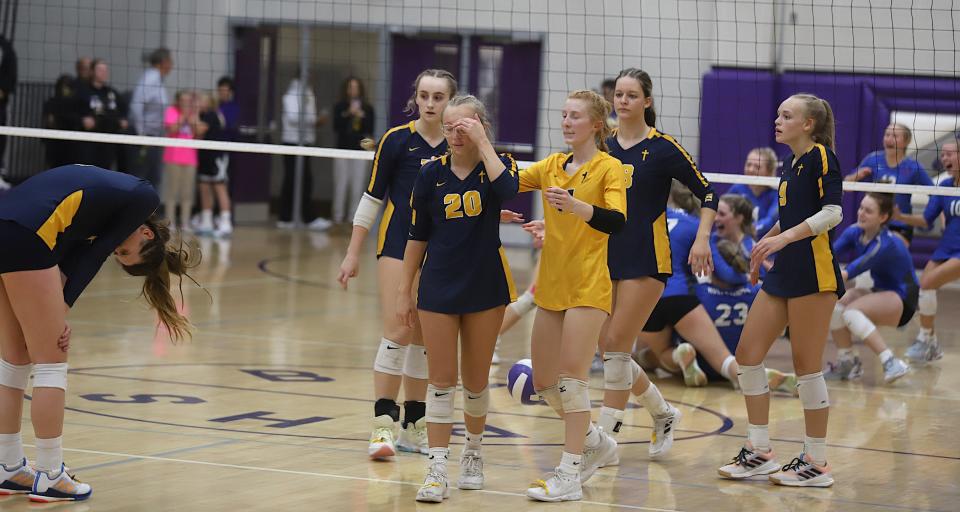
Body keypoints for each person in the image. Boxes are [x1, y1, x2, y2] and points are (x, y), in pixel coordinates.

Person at [0, 164, 197, 502]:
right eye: (123, 253)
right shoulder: (144, 197)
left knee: (14, 360)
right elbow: (95, 253)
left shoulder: (104, 207)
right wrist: (60, 310)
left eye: (120, 256)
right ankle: (50, 475)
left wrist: (53, 307)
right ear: (146, 233)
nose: (116, 252)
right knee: (51, 362)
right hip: (26, 234)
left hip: (8, 225)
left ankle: (7, 467)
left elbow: (69, 256)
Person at [718, 93, 844, 487]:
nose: (777, 120)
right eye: (778, 114)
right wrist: (765, 242)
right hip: (785, 270)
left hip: (813, 273)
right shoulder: (789, 163)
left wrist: (783, 238)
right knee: (747, 354)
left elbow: (832, 213)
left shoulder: (822, 156)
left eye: (786, 116)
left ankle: (816, 462)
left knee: (807, 367)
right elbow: (793, 217)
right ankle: (759, 450)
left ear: (808, 124)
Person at [396, 95, 518, 502]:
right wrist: (403, 290)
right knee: (441, 382)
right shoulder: (429, 176)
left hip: (485, 288)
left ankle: (474, 453)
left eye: (463, 126)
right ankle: (435, 469)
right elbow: (417, 237)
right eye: (449, 127)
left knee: (477, 381)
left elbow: (510, 190)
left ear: (480, 126)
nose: (454, 134)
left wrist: (483, 144)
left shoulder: (499, 164)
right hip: (438, 288)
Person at [337, 69, 458, 460]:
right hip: (397, 246)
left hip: (440, 252)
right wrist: (353, 252)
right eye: (424, 95)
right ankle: (382, 426)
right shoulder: (395, 140)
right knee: (397, 330)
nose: (429, 103)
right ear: (416, 97)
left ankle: (413, 426)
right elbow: (372, 198)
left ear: (450, 101)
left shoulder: (459, 142)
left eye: (438, 97)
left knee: (424, 339)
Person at [596, 68, 716, 459]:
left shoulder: (663, 147)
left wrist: (701, 239)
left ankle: (605, 439)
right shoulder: (603, 147)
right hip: (605, 257)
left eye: (632, 95)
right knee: (607, 348)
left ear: (647, 101)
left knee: (616, 346)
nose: (623, 101)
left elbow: (709, 194)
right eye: (619, 94)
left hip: (647, 258)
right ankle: (663, 414)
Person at [517, 89, 625, 502]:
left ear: (595, 125)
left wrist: (576, 206)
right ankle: (597, 441)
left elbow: (616, 220)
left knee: (571, 381)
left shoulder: (608, 167)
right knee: (544, 383)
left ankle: (569, 475)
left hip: (588, 284)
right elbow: (506, 179)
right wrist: (476, 143)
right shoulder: (551, 166)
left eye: (575, 116)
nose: (565, 122)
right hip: (553, 286)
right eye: (563, 115)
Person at [637, 190, 748, 389]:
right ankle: (750, 378)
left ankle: (680, 355)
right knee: (723, 359)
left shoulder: (646, 220)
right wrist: (746, 276)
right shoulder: (696, 226)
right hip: (678, 295)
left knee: (657, 355)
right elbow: (723, 272)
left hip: (644, 298)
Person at [826, 193, 914, 383]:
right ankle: (847, 363)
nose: (861, 214)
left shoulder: (885, 244)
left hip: (905, 299)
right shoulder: (855, 232)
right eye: (860, 208)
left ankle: (890, 361)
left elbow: (847, 273)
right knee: (835, 306)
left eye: (868, 211)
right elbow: (827, 255)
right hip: (881, 290)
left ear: (883, 218)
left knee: (851, 312)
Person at [894, 140, 960, 363]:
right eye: (943, 155)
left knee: (928, 284)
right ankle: (930, 343)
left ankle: (925, 340)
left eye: (950, 154)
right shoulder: (944, 186)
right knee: (924, 288)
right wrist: (901, 217)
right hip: (946, 248)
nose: (944, 159)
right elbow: (925, 220)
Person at [845, 123, 932, 246]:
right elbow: (846, 185)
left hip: (899, 226)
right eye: (887, 135)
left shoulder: (913, 168)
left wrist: (921, 217)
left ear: (906, 141)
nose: (889, 139)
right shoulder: (873, 159)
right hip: (874, 223)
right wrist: (856, 176)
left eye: (895, 136)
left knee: (887, 252)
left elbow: (935, 194)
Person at [278, 75, 330, 230]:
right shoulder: (291, 95)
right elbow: (294, 117)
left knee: (305, 180)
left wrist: (316, 121)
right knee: (291, 179)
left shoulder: (308, 93)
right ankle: (286, 217)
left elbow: (307, 116)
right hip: (291, 142)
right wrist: (314, 121)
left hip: (305, 143)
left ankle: (304, 217)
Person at [332, 76, 375, 228]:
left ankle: (353, 219)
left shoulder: (367, 108)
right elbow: (336, 127)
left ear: (360, 89)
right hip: (342, 150)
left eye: (356, 87)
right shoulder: (340, 106)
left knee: (357, 186)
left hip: (360, 151)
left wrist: (361, 117)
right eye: (350, 87)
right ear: (346, 89)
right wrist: (348, 114)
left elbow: (369, 132)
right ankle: (337, 218)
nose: (353, 90)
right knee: (341, 184)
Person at [130, 48, 173, 189]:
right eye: (170, 61)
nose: (172, 65)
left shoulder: (157, 79)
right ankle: (137, 210)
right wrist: (141, 133)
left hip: (153, 137)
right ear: (164, 62)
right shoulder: (151, 78)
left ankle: (149, 210)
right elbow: (136, 104)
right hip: (144, 137)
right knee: (142, 178)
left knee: (153, 178)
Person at [73, 60, 129, 169]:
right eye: (100, 70)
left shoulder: (111, 93)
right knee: (87, 173)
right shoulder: (82, 91)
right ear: (92, 72)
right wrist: (82, 120)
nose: (104, 73)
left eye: (105, 70)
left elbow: (123, 110)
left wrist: (123, 120)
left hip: (108, 142)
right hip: (88, 142)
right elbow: (70, 112)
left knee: (104, 173)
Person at [163, 90, 204, 231]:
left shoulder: (193, 114)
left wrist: (196, 112)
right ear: (178, 101)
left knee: (187, 193)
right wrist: (184, 116)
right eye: (184, 100)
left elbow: (199, 132)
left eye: (188, 101)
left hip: (190, 158)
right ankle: (170, 222)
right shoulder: (171, 111)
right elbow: (171, 128)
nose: (186, 103)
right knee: (172, 191)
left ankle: (185, 222)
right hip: (173, 157)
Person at [195, 91, 233, 238]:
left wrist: (194, 114)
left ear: (208, 102)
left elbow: (199, 131)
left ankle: (225, 223)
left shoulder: (211, 114)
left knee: (220, 187)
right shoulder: (204, 116)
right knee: (204, 187)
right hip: (205, 156)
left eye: (200, 100)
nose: (198, 103)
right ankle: (206, 222)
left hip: (217, 157)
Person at [729, 147, 780, 238]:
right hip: (738, 244)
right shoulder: (737, 189)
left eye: (757, 167)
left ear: (769, 172)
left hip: (765, 244)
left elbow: (771, 221)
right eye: (748, 165)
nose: (751, 170)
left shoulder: (776, 195)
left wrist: (746, 231)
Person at [42, 75, 78, 168]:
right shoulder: (52, 103)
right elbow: (49, 122)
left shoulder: (75, 104)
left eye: (67, 87)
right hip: (55, 142)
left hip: (71, 143)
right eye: (63, 87)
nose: (65, 90)